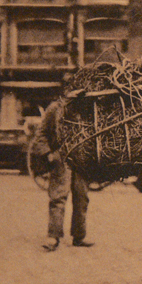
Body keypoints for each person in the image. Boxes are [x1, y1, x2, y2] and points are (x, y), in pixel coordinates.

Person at [31, 96, 93, 252]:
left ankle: (79, 236)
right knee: (58, 197)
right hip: (61, 157)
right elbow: (42, 134)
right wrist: (49, 154)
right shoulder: (54, 108)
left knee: (82, 197)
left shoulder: (87, 108)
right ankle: (53, 236)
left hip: (81, 157)